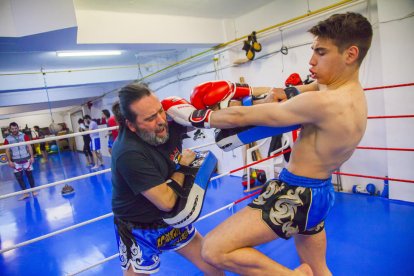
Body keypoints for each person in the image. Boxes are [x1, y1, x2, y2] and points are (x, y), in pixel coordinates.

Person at [166, 12, 373, 275]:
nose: (311, 61)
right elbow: (282, 93)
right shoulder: (348, 93)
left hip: (295, 195)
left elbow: (242, 116)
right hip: (320, 192)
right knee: (320, 268)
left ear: (350, 54)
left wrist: (193, 116)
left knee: (214, 249)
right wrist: (243, 91)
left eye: (321, 52)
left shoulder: (324, 102)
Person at [111, 83, 222, 275]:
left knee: (212, 266)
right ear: (131, 125)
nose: (161, 120)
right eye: (150, 118)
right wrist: (184, 166)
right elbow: (166, 201)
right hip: (138, 228)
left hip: (172, 221)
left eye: (160, 111)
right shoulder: (128, 152)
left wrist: (234, 104)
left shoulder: (169, 120)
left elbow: (210, 118)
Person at [4, 122, 38, 200]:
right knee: (19, 177)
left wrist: (32, 156)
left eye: (16, 128)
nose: (14, 130)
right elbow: (7, 150)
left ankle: (33, 191)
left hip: (26, 158)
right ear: (10, 129)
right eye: (12, 129)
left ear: (18, 128)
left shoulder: (24, 136)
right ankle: (25, 193)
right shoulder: (7, 139)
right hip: (16, 161)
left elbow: (29, 146)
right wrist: (9, 161)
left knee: (30, 176)